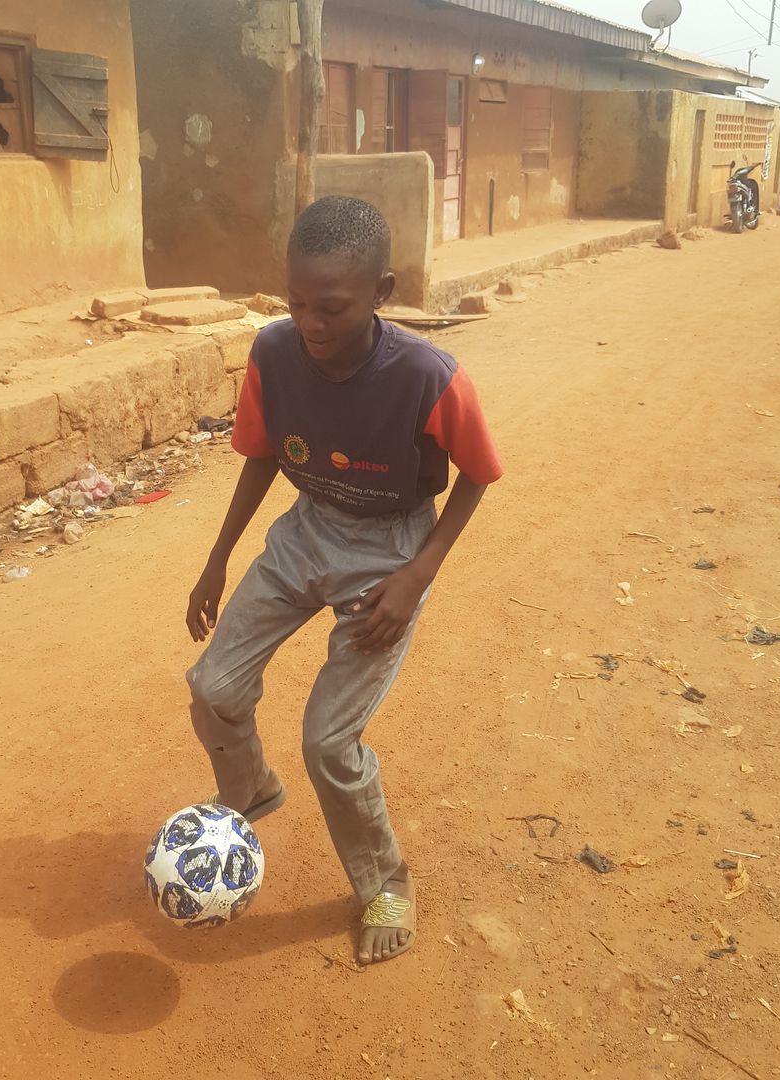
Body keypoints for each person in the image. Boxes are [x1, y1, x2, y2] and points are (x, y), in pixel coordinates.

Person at [185, 195, 502, 965]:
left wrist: (416, 576)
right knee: (213, 685)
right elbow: (263, 454)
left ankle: (384, 883)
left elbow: (478, 475)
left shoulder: (427, 375)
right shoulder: (273, 354)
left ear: (382, 292)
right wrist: (218, 558)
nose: (311, 324)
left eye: (331, 308)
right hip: (307, 529)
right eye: (296, 303)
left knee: (328, 741)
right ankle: (250, 788)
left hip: (389, 553)